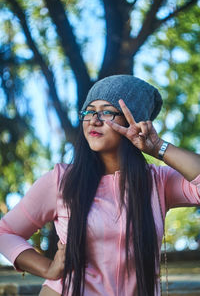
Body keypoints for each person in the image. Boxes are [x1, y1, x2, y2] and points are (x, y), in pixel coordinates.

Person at [0, 75, 200, 296]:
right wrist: (49, 268)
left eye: (106, 111)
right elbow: (4, 232)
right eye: (89, 111)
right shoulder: (61, 180)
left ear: (133, 121)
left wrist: (158, 147)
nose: (94, 120)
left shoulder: (157, 181)